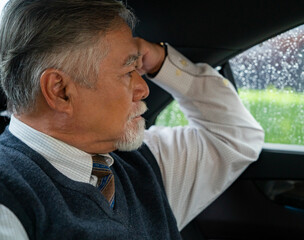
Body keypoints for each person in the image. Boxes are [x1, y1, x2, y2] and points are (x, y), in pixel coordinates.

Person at [0, 0, 264, 239]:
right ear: (61, 91)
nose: (144, 88)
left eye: (139, 68)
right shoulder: (9, 198)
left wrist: (162, 61)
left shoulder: (141, 162)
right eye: (128, 71)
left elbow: (235, 135)